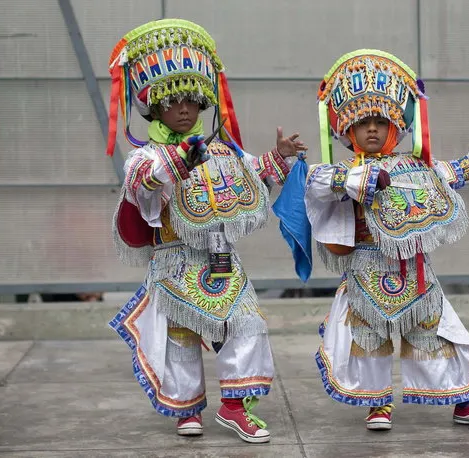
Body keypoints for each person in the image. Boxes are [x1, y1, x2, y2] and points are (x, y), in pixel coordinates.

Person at [294, 49, 469, 430]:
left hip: (416, 272)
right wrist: (353, 181)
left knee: (439, 334)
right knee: (367, 338)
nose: (372, 129)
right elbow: (314, 183)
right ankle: (377, 405)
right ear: (347, 131)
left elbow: (447, 175)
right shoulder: (340, 171)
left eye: (380, 121)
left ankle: (464, 401)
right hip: (365, 270)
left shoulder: (416, 166)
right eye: (363, 122)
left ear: (395, 127)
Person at [106, 19, 306, 443]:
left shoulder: (220, 149)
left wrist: (279, 157)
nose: (183, 109)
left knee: (247, 323)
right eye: (172, 101)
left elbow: (252, 174)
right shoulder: (145, 155)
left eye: (192, 100)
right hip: (175, 261)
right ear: (154, 108)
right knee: (181, 337)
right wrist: (178, 163)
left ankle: (235, 406)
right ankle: (186, 409)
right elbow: (143, 182)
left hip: (221, 257)